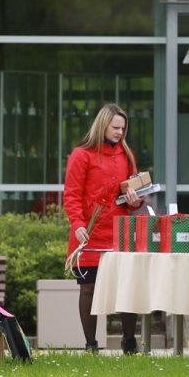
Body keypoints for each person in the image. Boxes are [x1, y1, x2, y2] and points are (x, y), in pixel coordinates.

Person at [63, 104, 144, 355]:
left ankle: (129, 343)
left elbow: (134, 198)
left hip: (119, 232)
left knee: (126, 287)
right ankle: (90, 346)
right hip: (89, 232)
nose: (120, 132)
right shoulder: (81, 155)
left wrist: (136, 201)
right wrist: (77, 223)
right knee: (88, 288)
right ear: (103, 125)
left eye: (123, 128)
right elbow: (72, 195)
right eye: (115, 127)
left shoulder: (126, 156)